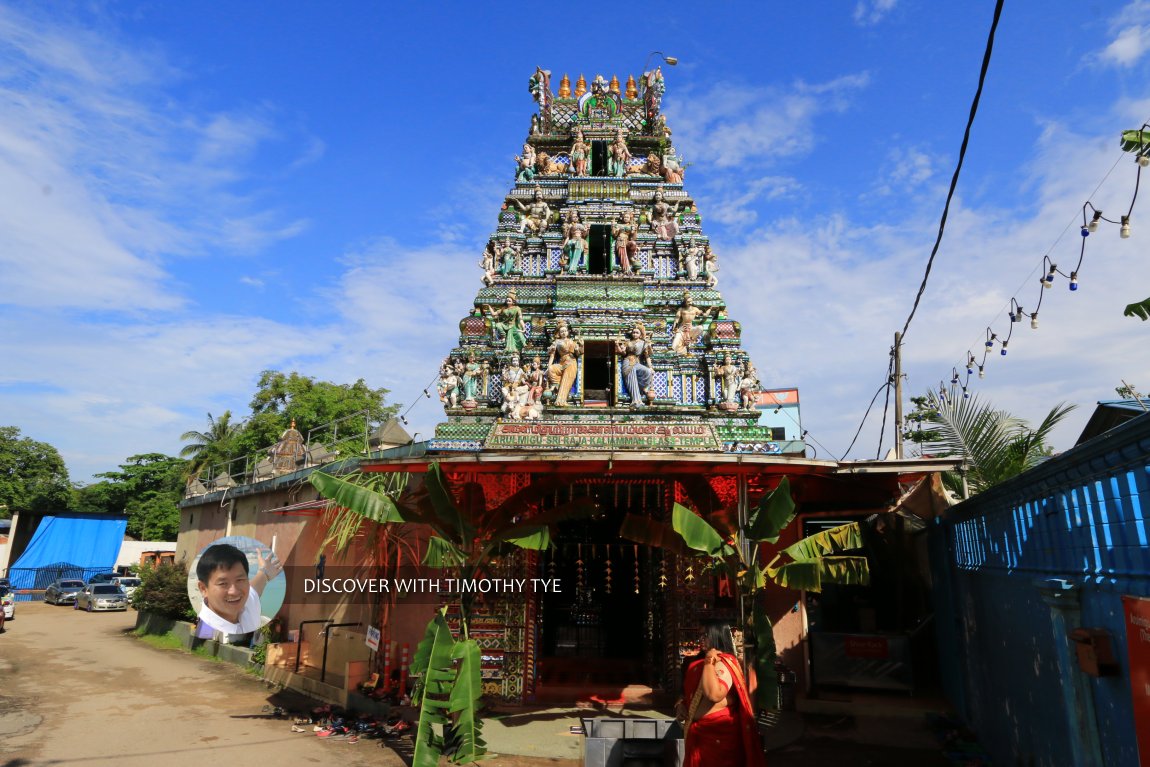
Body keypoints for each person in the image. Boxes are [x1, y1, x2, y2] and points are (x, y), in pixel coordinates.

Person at [679, 620, 768, 767]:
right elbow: (687, 693)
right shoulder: (698, 664)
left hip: (719, 739)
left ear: (716, 635)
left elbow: (714, 694)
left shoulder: (724, 663)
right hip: (699, 737)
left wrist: (709, 660)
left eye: (705, 635)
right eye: (700, 635)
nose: (701, 639)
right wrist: (680, 705)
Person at [196, 543, 281, 635]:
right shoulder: (206, 629)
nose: (234, 591)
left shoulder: (247, 603)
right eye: (223, 583)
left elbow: (254, 589)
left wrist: (265, 572)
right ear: (203, 589)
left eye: (240, 580)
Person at [616, 323, 654, 408]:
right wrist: (617, 345)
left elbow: (647, 356)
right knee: (632, 379)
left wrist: (650, 367)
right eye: (633, 332)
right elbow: (623, 353)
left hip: (637, 362)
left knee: (647, 371)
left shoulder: (644, 343)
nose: (635, 334)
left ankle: (643, 388)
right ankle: (636, 400)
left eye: (637, 332)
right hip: (627, 362)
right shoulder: (628, 342)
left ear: (640, 334)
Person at [546, 319, 582, 406]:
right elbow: (551, 355)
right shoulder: (556, 342)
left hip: (571, 362)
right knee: (552, 369)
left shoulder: (572, 342)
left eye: (565, 331)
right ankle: (558, 393)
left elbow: (578, 353)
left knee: (567, 381)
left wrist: (580, 346)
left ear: (568, 332)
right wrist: (549, 366)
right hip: (562, 362)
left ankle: (562, 400)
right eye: (561, 331)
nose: (563, 333)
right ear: (559, 333)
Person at [612, 210, 639, 274]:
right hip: (620, 240)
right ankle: (626, 269)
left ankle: (631, 259)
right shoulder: (618, 225)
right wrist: (613, 227)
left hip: (627, 240)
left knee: (633, 244)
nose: (626, 218)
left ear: (630, 218)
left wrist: (635, 230)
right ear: (622, 218)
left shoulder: (632, 226)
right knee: (623, 254)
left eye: (627, 217)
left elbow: (633, 238)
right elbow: (614, 235)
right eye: (625, 217)